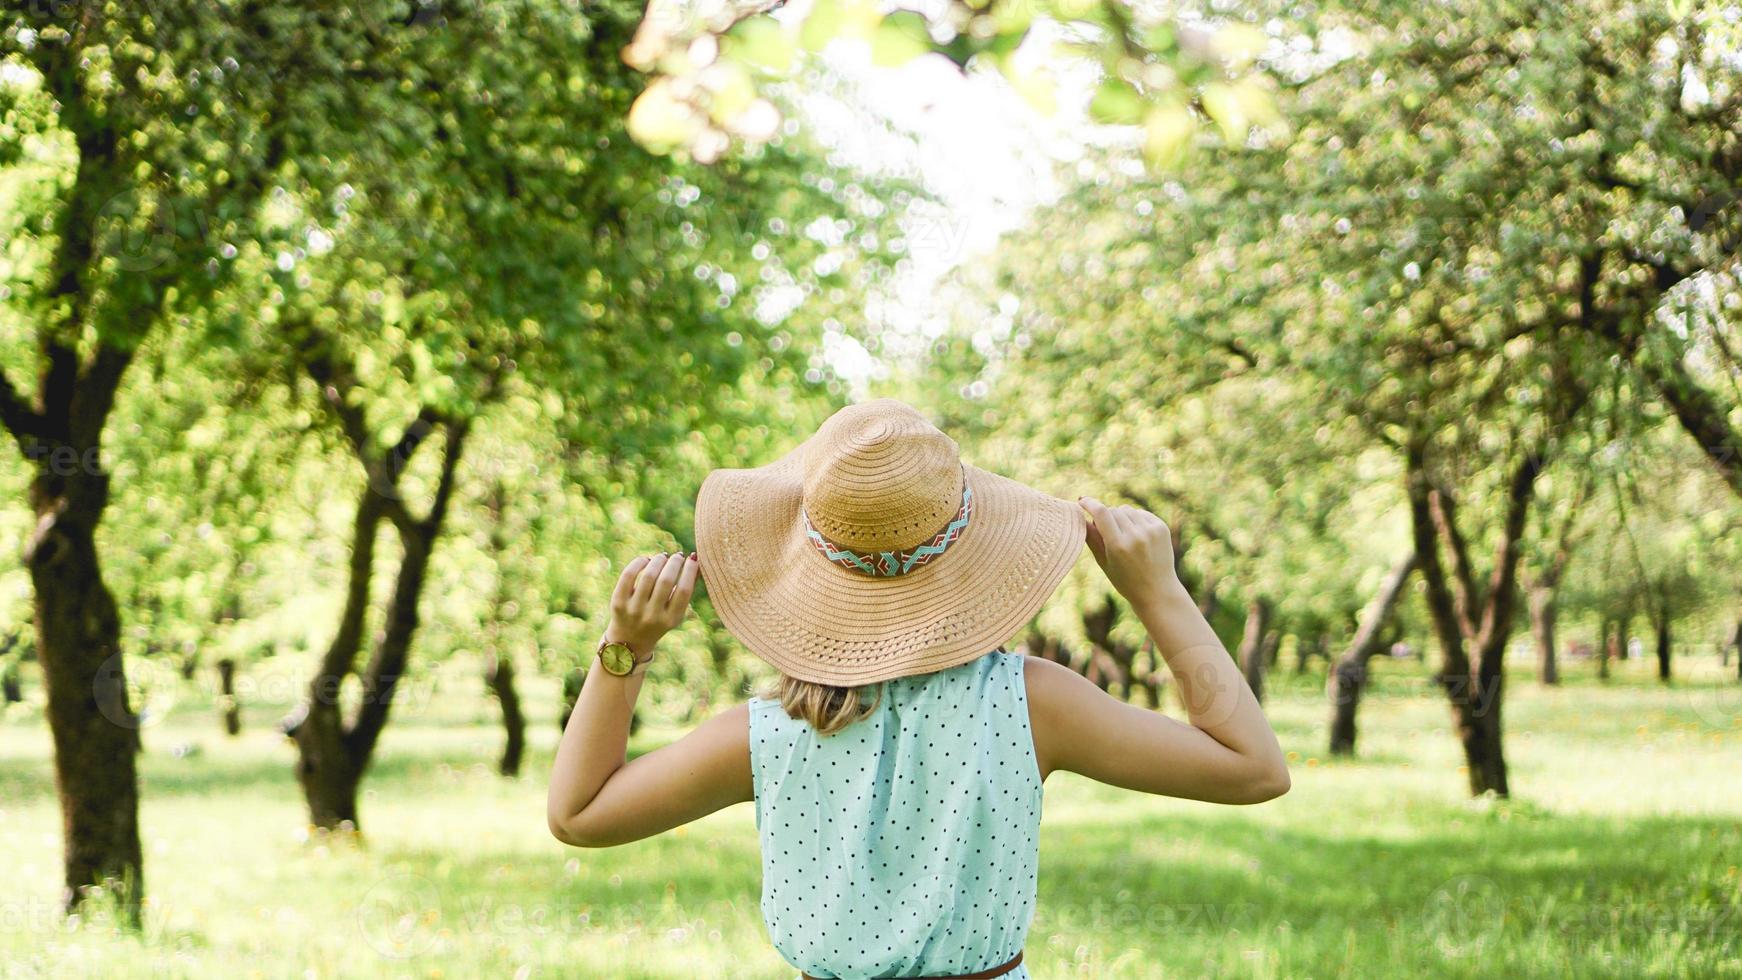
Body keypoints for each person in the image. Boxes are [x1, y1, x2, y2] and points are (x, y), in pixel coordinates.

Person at [548, 399, 1289, 979]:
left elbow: (579, 815)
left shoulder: (767, 733)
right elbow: (1253, 768)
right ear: (972, 543)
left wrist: (627, 649)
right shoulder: (1031, 705)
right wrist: (1158, 593)